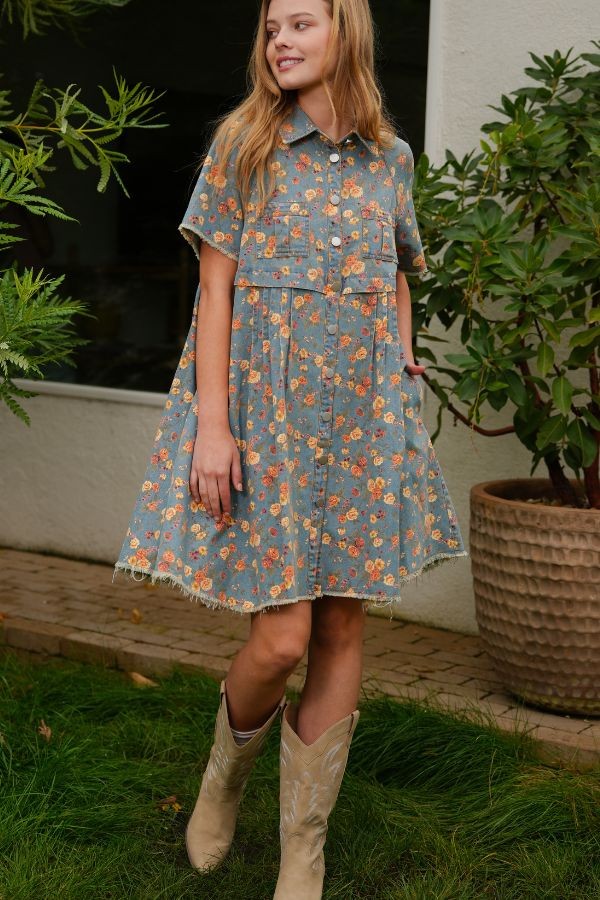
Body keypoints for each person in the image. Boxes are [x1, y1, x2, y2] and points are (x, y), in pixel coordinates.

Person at [113, 0, 468, 895]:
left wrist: (402, 350)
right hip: (267, 420)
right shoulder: (244, 146)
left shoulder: (391, 158)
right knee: (280, 639)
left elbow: (398, 269)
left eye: (300, 24)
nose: (280, 41)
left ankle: (303, 847)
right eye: (273, 28)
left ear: (346, 31)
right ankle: (223, 778)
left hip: (361, 424)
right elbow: (215, 294)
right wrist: (213, 425)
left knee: (342, 624)